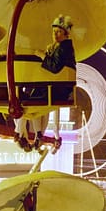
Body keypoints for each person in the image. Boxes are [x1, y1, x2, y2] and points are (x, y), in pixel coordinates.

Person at [13, 14, 77, 150]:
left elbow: (54, 67)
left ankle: (19, 133)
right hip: (58, 87)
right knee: (37, 104)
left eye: (59, 31)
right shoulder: (62, 47)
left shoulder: (63, 48)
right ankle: (36, 134)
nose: (56, 34)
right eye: (54, 31)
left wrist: (42, 56)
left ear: (66, 34)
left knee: (26, 102)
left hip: (56, 89)